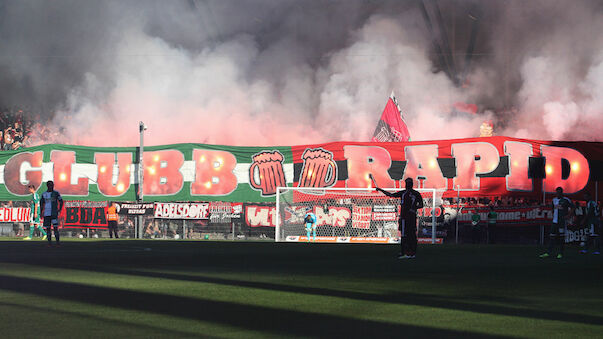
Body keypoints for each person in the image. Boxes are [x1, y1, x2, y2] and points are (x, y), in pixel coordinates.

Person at [376, 178, 424, 259]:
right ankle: (409, 252)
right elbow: (421, 205)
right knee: (410, 234)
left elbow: (391, 195)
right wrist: (381, 190)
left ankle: (406, 252)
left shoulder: (407, 193)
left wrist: (381, 190)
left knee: (406, 235)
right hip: (409, 217)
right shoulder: (414, 193)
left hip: (406, 217)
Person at [540, 187, 574, 259]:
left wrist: (568, 215)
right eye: (557, 192)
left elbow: (573, 207)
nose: (558, 194)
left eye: (559, 192)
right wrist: (553, 215)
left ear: (562, 192)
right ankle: (548, 252)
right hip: (554, 222)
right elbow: (552, 209)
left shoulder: (566, 200)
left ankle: (560, 253)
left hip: (562, 222)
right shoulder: (554, 200)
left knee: (561, 237)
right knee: (552, 236)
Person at [40, 180, 64, 247]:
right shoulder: (44, 194)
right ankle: (49, 243)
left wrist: (59, 209)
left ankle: (57, 242)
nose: (51, 186)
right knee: (48, 228)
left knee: (55, 228)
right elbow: (41, 203)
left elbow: (61, 201)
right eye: (50, 185)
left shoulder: (56, 193)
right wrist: (41, 212)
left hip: (54, 213)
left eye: (52, 185)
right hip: (46, 214)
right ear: (47, 186)